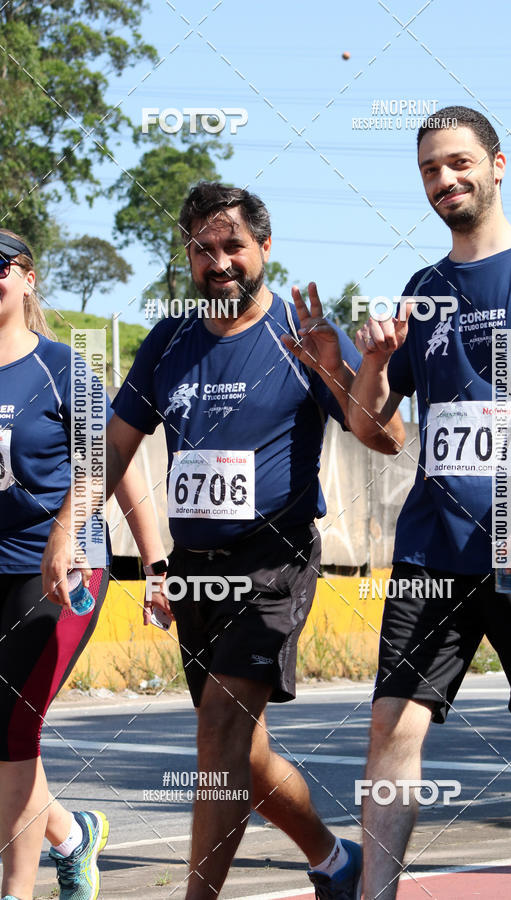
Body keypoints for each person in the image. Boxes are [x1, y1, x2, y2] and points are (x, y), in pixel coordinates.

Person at [42, 183, 402, 899]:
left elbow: (385, 437)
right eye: (202, 249)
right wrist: (67, 529)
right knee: (244, 752)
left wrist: (342, 369)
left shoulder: (302, 335)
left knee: (219, 732)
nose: (219, 262)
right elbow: (113, 450)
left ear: (264, 247)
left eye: (233, 245)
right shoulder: (170, 341)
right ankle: (335, 860)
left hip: (273, 561)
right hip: (195, 571)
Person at [348, 106, 511, 899]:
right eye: (429, 169)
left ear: (496, 165)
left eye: (458, 162)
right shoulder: (422, 290)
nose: (444, 179)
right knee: (391, 723)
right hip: (433, 549)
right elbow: (372, 429)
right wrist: (372, 365)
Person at [0, 229, 166, 900]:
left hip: (61, 569)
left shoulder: (63, 368)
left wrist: (155, 564)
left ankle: (16, 890)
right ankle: (72, 837)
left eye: (0, 266)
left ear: (27, 278)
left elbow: (116, 465)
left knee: (14, 727)